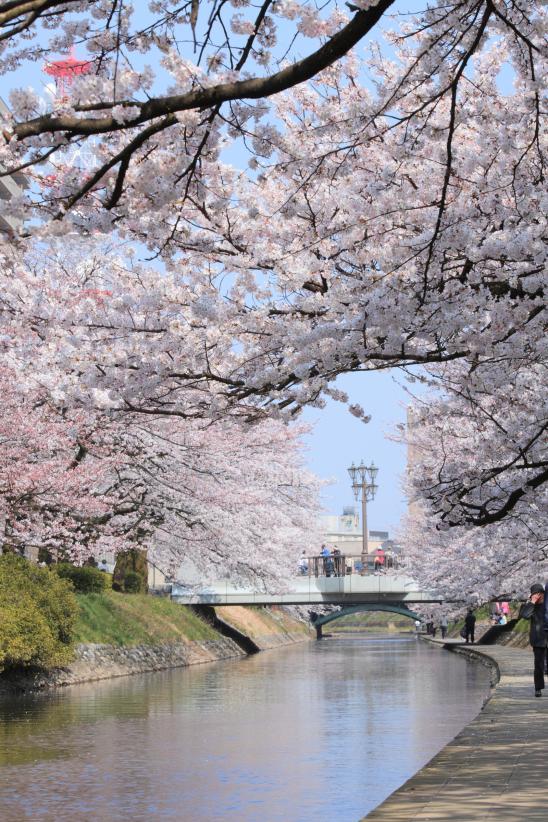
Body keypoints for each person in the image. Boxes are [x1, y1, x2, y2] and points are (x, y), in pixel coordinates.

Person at [519, 583, 548, 697]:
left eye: (540, 594)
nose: (538, 597)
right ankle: (538, 688)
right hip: (538, 639)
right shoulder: (531, 606)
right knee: (539, 665)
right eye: (535, 595)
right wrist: (532, 603)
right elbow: (525, 615)